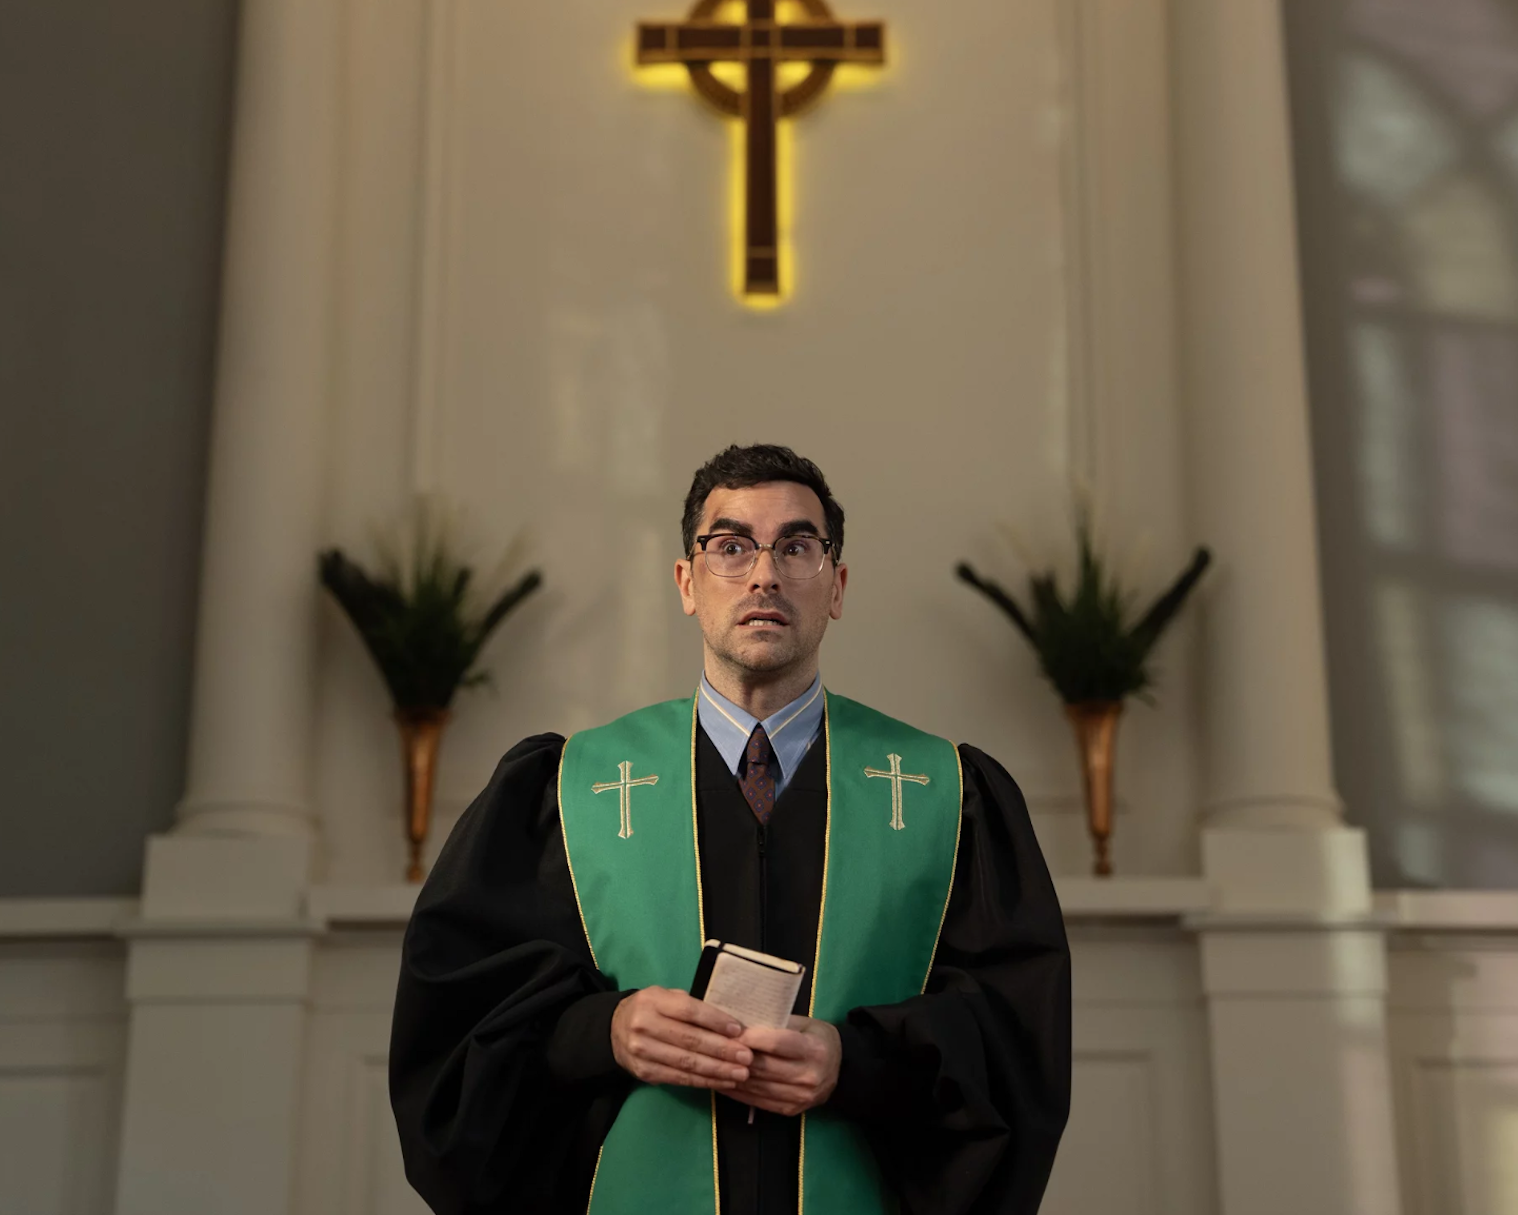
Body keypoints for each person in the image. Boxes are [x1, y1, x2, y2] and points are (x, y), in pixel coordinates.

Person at [390, 444, 1071, 1215]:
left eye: (798, 546)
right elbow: (458, 1029)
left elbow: (1014, 1037)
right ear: (686, 581)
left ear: (837, 585)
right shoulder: (567, 788)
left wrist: (859, 1061)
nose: (765, 574)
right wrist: (604, 1030)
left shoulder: (947, 792)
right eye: (731, 545)